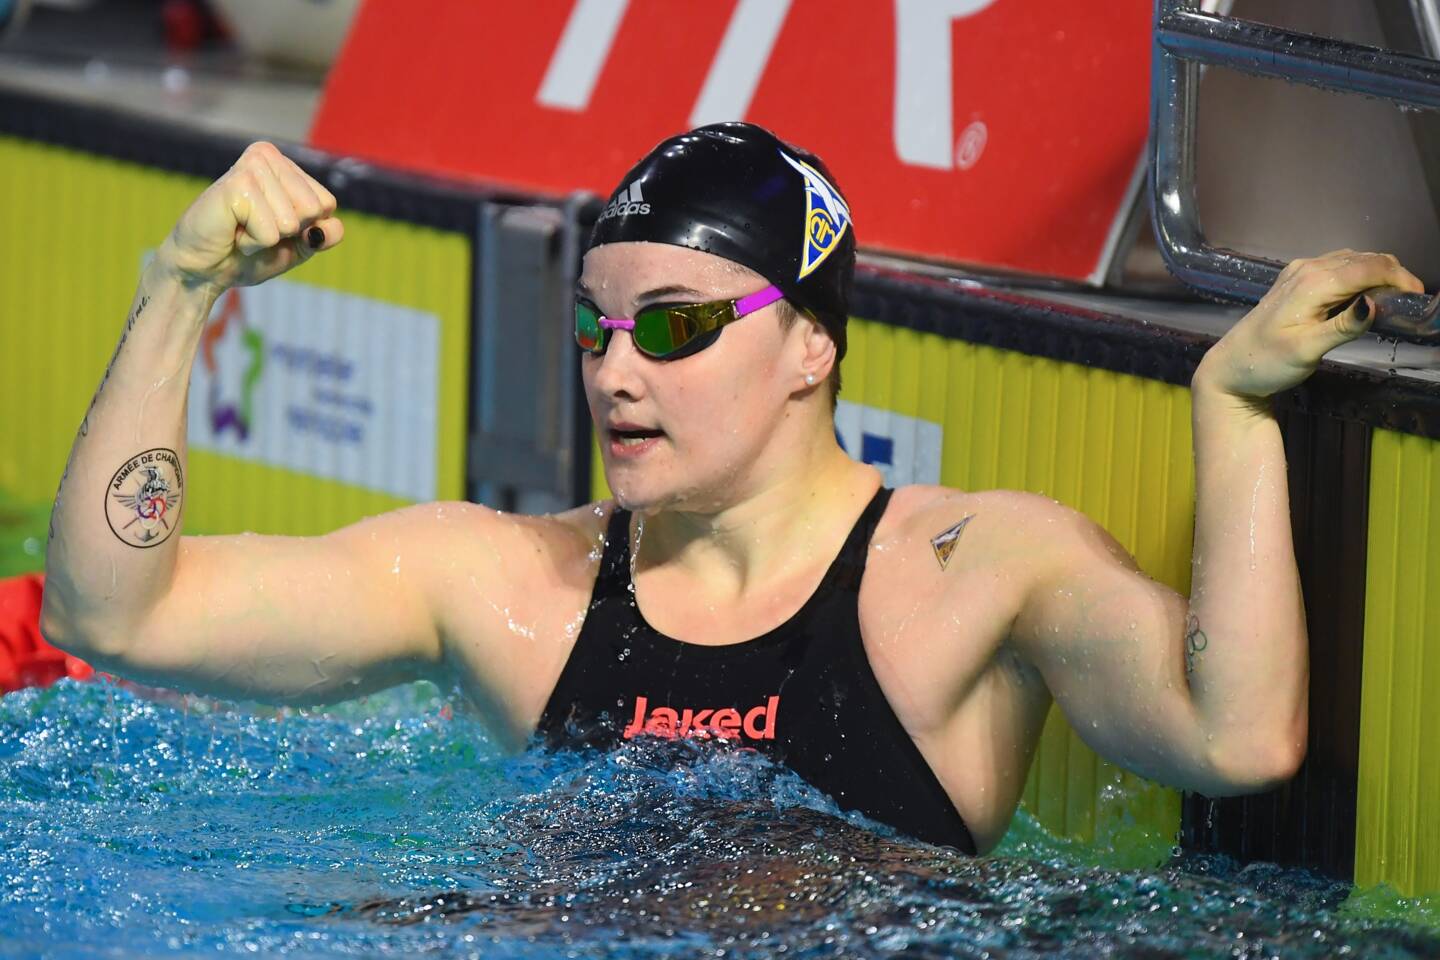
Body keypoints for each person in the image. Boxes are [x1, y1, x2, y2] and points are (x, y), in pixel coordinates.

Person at [39, 123, 1423, 855]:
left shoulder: (970, 573)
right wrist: (181, 288)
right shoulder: (510, 588)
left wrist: (1232, 407)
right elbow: (119, 618)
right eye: (597, 325)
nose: (618, 372)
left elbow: (1237, 740)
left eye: (679, 326)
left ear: (811, 344)